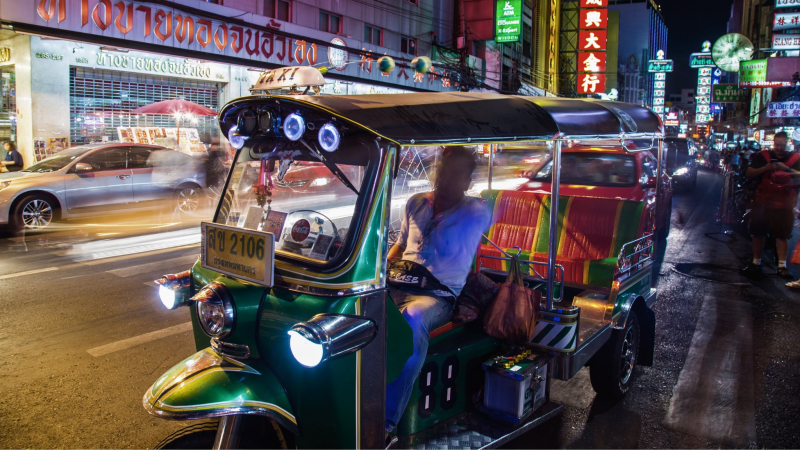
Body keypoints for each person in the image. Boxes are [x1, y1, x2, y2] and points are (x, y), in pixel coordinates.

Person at [385, 146, 491, 434]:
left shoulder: (474, 212)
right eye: (443, 171)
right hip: (398, 282)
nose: (446, 179)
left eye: (457, 174)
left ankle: (385, 422)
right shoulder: (415, 203)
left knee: (412, 318)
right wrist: (380, 266)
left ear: (468, 181)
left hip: (437, 295)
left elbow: (485, 217)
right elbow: (402, 244)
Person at [741, 131, 800, 280]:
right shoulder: (763, 156)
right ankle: (756, 263)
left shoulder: (796, 158)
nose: (779, 148)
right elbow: (748, 173)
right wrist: (765, 168)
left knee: (782, 235)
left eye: (782, 145)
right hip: (763, 202)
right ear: (773, 143)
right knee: (758, 233)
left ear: (788, 143)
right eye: (777, 145)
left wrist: (786, 169)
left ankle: (782, 266)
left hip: (785, 204)